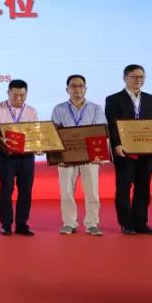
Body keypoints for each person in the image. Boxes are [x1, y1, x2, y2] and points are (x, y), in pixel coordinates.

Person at [105, 64, 152, 236]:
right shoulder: (113, 99)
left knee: (143, 188)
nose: (138, 80)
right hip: (124, 151)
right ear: (125, 78)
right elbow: (112, 125)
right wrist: (116, 144)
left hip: (147, 151)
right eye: (134, 77)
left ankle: (141, 223)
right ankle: (126, 223)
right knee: (124, 188)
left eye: (141, 77)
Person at [49, 75, 107, 236]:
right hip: (67, 157)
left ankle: (92, 223)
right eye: (73, 86)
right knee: (66, 192)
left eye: (81, 86)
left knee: (92, 192)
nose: (77, 89)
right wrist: (58, 157)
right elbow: (54, 135)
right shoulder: (59, 109)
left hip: (90, 156)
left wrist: (100, 155)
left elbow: (100, 132)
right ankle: (69, 223)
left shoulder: (96, 108)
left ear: (85, 89)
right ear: (67, 89)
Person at [0, 79, 39, 236]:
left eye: (22, 95)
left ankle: (22, 224)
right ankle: (6, 224)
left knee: (26, 190)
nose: (19, 98)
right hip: (5, 155)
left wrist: (39, 146)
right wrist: (0, 140)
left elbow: (35, 134)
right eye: (15, 95)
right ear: (8, 93)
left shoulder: (31, 111)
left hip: (26, 156)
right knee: (6, 189)